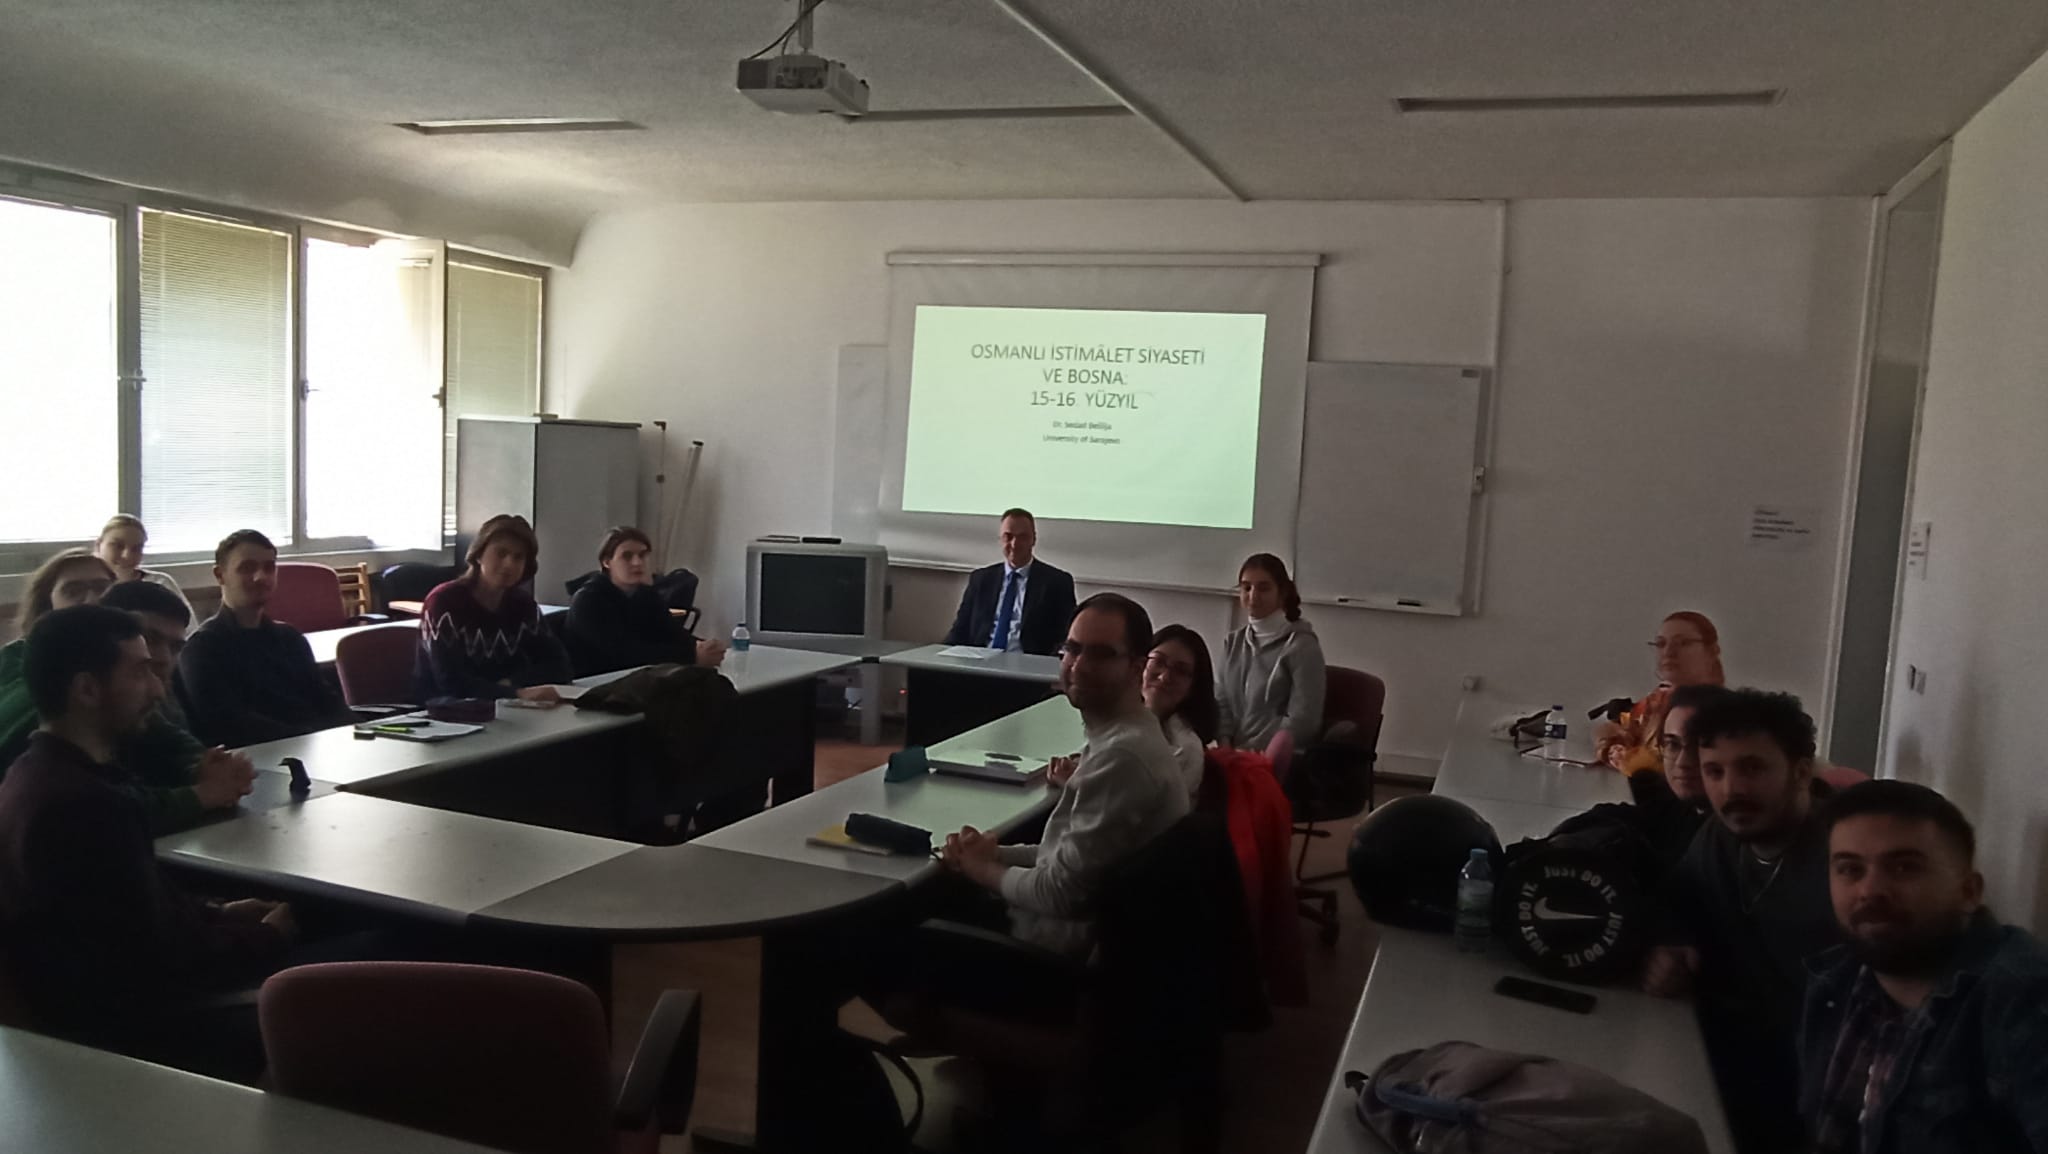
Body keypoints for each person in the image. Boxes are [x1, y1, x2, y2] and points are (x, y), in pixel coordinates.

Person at [0, 606, 294, 1079]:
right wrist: (268, 935)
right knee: (376, 955)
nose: (158, 689)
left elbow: (131, 918)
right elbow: (159, 966)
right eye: (140, 673)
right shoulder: (82, 806)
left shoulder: (35, 774)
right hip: (148, 1036)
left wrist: (218, 912)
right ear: (87, 689)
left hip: (132, 1004)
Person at [1800, 781, 2048, 1154]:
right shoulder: (1834, 981)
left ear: (1969, 891)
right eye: (1850, 869)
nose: (1870, 890)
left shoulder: (2024, 999)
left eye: (1904, 867)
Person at [1644, 688, 1840, 1154]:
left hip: (1809, 1099)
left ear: (1801, 771)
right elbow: (1678, 896)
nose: (1731, 790)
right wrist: (1672, 940)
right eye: (1715, 771)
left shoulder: (1846, 863)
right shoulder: (1722, 835)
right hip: (1730, 1060)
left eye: (1752, 768)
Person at [940, 592, 1189, 958]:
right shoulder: (1122, 733)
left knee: (901, 920)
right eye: (1072, 649)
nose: (1078, 665)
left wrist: (979, 867)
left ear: (1136, 668)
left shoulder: (1123, 756)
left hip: (1054, 956)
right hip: (1062, 931)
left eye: (1100, 654)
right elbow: (1065, 857)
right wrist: (994, 854)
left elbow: (1058, 894)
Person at [99, 580, 256, 834]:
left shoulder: (148, 703)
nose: (163, 658)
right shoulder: (60, 711)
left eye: (175, 648)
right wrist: (204, 793)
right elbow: (102, 811)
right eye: (150, 639)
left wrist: (201, 767)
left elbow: (171, 743)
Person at [177, 530, 353, 748]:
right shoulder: (202, 648)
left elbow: (326, 701)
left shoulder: (290, 638)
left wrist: (357, 729)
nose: (261, 577)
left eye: (269, 568)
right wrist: (310, 738)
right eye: (247, 568)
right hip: (262, 759)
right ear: (220, 575)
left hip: (318, 749)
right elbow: (229, 724)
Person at [415, 514, 571, 701]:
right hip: (444, 709)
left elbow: (560, 666)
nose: (509, 564)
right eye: (501, 553)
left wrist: (512, 684)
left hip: (509, 705)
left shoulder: (523, 604)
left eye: (518, 557)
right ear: (478, 555)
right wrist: (515, 693)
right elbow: (449, 682)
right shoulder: (444, 602)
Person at [0, 549, 115, 769]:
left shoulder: (133, 663)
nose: (91, 600)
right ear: (47, 604)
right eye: (73, 591)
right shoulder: (14, 659)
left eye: (102, 588)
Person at [564, 526, 724, 677]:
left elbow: (672, 633)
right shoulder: (588, 601)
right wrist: (690, 656)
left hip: (636, 675)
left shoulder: (646, 594)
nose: (637, 562)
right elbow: (623, 652)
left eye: (642, 555)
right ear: (607, 562)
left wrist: (704, 647)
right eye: (627, 556)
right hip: (594, 681)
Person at [1215, 553, 1326, 752]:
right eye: (1246, 587)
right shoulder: (1232, 643)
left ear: (1282, 593)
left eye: (1263, 588)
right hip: (1232, 753)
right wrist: (1225, 745)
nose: (1253, 596)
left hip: (1277, 756)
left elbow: (1304, 720)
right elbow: (1221, 703)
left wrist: (1255, 751)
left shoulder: (1302, 646)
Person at [1597, 610, 1727, 773]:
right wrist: (1611, 747)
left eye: (1683, 643)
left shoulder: (1723, 713)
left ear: (1712, 651)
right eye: (1660, 644)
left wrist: (1631, 761)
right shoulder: (1657, 700)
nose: (1668, 652)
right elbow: (1619, 730)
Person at [942, 508, 1077, 656]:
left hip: (1028, 663)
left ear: (1033, 540)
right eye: (1008, 536)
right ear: (1000, 539)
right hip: (980, 661)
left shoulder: (1057, 582)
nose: (1014, 544)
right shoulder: (980, 579)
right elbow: (960, 630)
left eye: (1022, 537)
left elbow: (1065, 637)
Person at [1624, 682, 1728, 869]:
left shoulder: (1739, 834)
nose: (1682, 762)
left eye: (1700, 746)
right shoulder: (1668, 808)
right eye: (1673, 745)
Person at [1141, 624, 1219, 801]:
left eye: (1181, 671)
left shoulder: (1186, 750)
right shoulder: (1121, 719)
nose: (1164, 677)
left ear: (1193, 687)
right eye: (1158, 662)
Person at [93, 514, 196, 629]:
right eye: (117, 546)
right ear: (98, 545)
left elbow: (190, 628)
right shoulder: (89, 588)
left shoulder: (160, 582)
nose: (127, 555)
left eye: (137, 548)